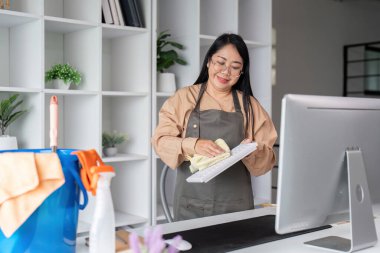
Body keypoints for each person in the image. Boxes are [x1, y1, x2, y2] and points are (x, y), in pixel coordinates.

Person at [152, 33, 277, 221]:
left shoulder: (249, 106)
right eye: (220, 62)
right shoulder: (184, 98)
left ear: (241, 72)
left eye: (235, 67)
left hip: (237, 208)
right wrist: (193, 145)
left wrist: (253, 152)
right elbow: (160, 142)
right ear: (209, 61)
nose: (226, 72)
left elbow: (267, 161)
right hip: (190, 205)